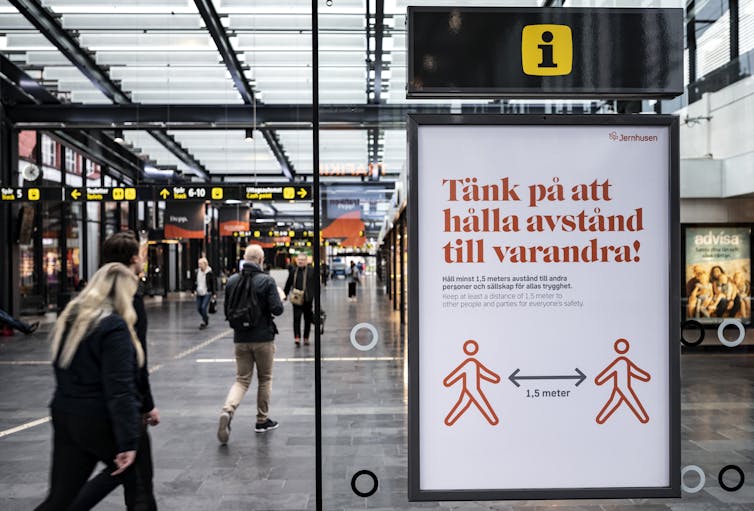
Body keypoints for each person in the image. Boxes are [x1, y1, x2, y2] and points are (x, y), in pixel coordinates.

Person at [35, 263, 144, 510]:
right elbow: (120, 388)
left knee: (60, 496)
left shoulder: (72, 318)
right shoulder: (114, 327)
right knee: (130, 471)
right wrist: (127, 441)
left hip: (65, 413)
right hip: (95, 418)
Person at [69, 231, 160, 510]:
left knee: (70, 484)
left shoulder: (90, 297)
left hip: (81, 405)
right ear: (134, 259)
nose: (143, 259)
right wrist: (147, 404)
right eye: (141, 255)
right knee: (136, 476)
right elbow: (136, 359)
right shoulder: (129, 296)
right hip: (120, 401)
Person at [217, 244, 284, 444]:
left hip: (241, 339)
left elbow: (226, 310)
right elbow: (277, 310)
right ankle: (262, 420)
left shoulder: (232, 281)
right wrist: (280, 297)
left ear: (244, 259)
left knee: (242, 380)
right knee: (265, 379)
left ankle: (228, 410)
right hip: (263, 338)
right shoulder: (267, 281)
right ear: (261, 260)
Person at [283, 253, 317, 346]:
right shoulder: (293, 271)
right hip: (297, 299)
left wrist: (316, 296)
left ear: (306, 261)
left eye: (302, 260)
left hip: (308, 299)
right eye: (299, 260)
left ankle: (306, 337)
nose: (300, 261)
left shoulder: (311, 271)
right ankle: (297, 337)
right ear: (296, 260)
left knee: (308, 319)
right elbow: (288, 284)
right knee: (296, 319)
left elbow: (316, 285)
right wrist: (284, 295)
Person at [192, 257, 217, 330]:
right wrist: (193, 291)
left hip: (207, 292)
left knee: (203, 307)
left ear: (205, 264)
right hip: (199, 292)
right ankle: (205, 317)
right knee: (198, 308)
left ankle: (205, 321)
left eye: (201, 264)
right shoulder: (197, 272)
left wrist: (214, 293)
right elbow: (194, 282)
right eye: (199, 264)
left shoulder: (210, 272)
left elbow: (213, 283)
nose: (199, 265)